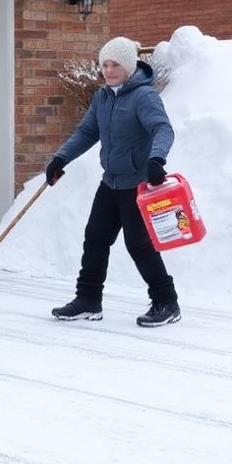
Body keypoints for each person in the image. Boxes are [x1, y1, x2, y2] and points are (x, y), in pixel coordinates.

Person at [43, 36, 181, 327]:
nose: (108, 70)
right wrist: (60, 159)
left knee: (139, 246)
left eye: (115, 64)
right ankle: (88, 300)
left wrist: (157, 160)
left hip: (138, 184)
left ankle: (166, 302)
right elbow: (86, 132)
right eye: (104, 64)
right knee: (95, 239)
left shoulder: (144, 97)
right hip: (111, 183)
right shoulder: (102, 97)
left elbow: (162, 129)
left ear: (129, 66)